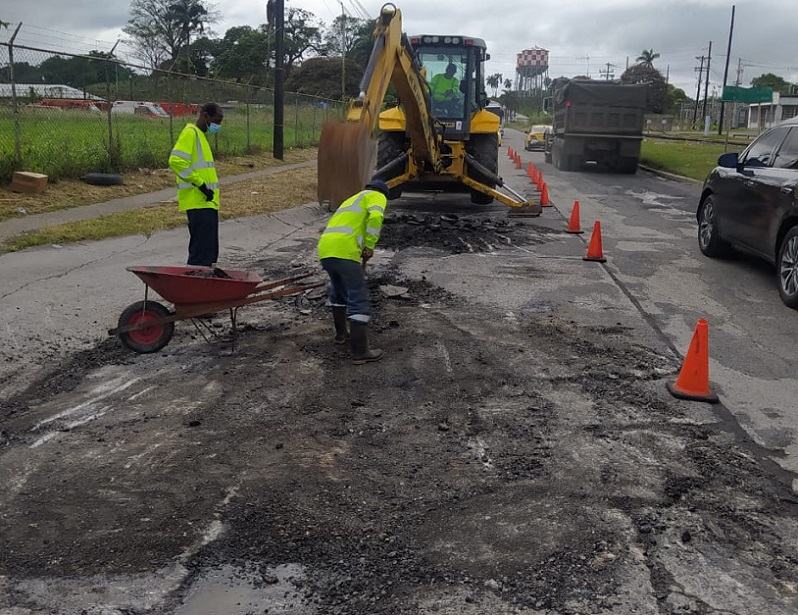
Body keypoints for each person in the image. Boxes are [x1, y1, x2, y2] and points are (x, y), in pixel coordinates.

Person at [318, 179, 390, 365]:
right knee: (358, 297)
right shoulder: (377, 196)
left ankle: (341, 335)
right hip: (345, 253)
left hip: (326, 251)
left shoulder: (352, 199)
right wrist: (369, 245)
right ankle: (360, 351)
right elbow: (375, 217)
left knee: (339, 292)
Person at [168, 102, 224, 267]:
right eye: (216, 121)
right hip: (198, 201)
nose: (217, 126)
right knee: (201, 252)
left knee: (210, 251)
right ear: (205, 115)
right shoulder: (190, 133)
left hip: (207, 202)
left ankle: (205, 283)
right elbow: (176, 161)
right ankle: (195, 283)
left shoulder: (201, 136)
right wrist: (200, 185)